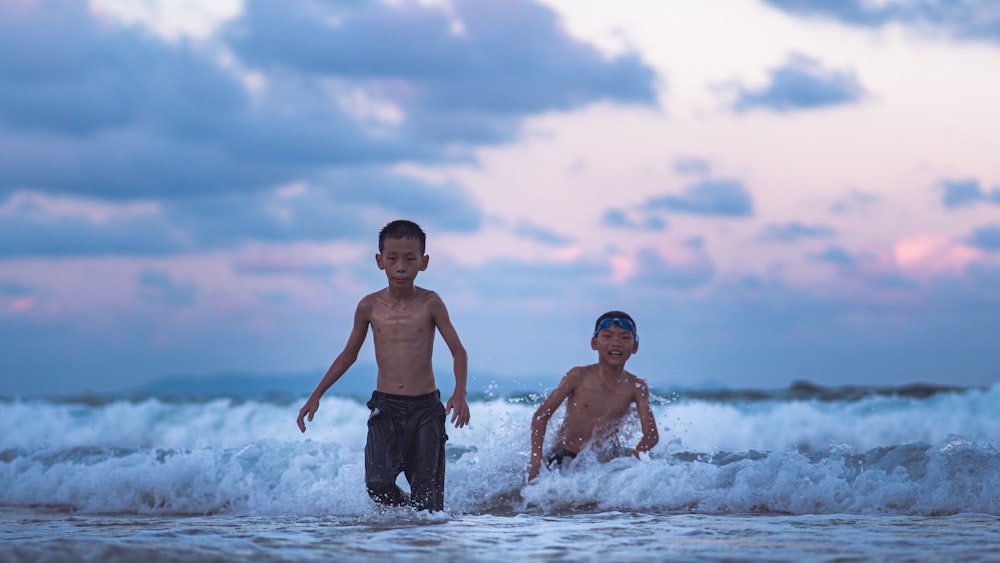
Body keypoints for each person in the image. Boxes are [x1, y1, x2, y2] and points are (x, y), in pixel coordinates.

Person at [297, 219, 470, 511]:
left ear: (423, 263)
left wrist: (460, 393)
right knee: (377, 484)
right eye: (392, 258)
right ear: (380, 261)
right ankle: (405, 513)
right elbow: (348, 355)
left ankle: (420, 535)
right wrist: (316, 394)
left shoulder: (431, 303)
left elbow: (459, 351)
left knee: (428, 503)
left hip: (426, 411)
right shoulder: (369, 306)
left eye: (410, 259)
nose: (401, 266)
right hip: (387, 408)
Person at [528, 311, 658, 481]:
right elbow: (541, 416)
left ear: (635, 347)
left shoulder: (636, 386)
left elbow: (651, 435)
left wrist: (631, 460)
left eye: (625, 337)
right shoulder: (578, 376)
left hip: (602, 464)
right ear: (594, 343)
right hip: (564, 458)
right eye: (607, 336)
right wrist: (536, 459)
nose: (616, 343)